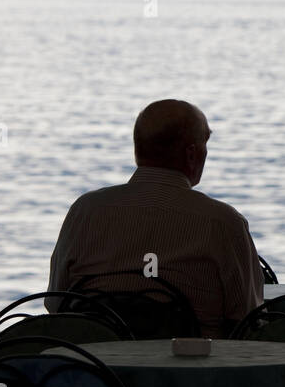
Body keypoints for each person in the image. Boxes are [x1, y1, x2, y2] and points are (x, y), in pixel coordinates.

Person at [47, 99, 262, 337]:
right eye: (205, 144)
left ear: (138, 148)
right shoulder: (222, 222)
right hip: (189, 369)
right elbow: (246, 321)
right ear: (191, 154)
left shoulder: (84, 211)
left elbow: (56, 303)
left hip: (93, 366)